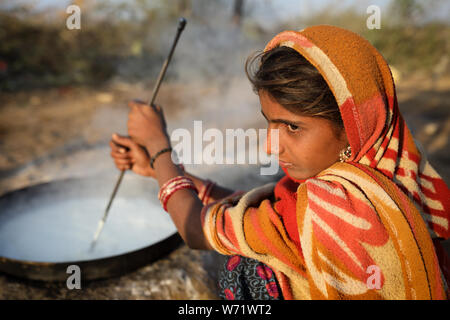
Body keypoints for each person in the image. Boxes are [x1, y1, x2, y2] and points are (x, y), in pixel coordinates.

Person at [110, 25, 450, 300]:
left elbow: (197, 231)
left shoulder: (332, 207)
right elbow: (272, 210)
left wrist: (159, 148)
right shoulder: (396, 171)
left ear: (352, 128)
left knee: (244, 268)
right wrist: (160, 170)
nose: (272, 145)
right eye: (269, 123)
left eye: (292, 127)